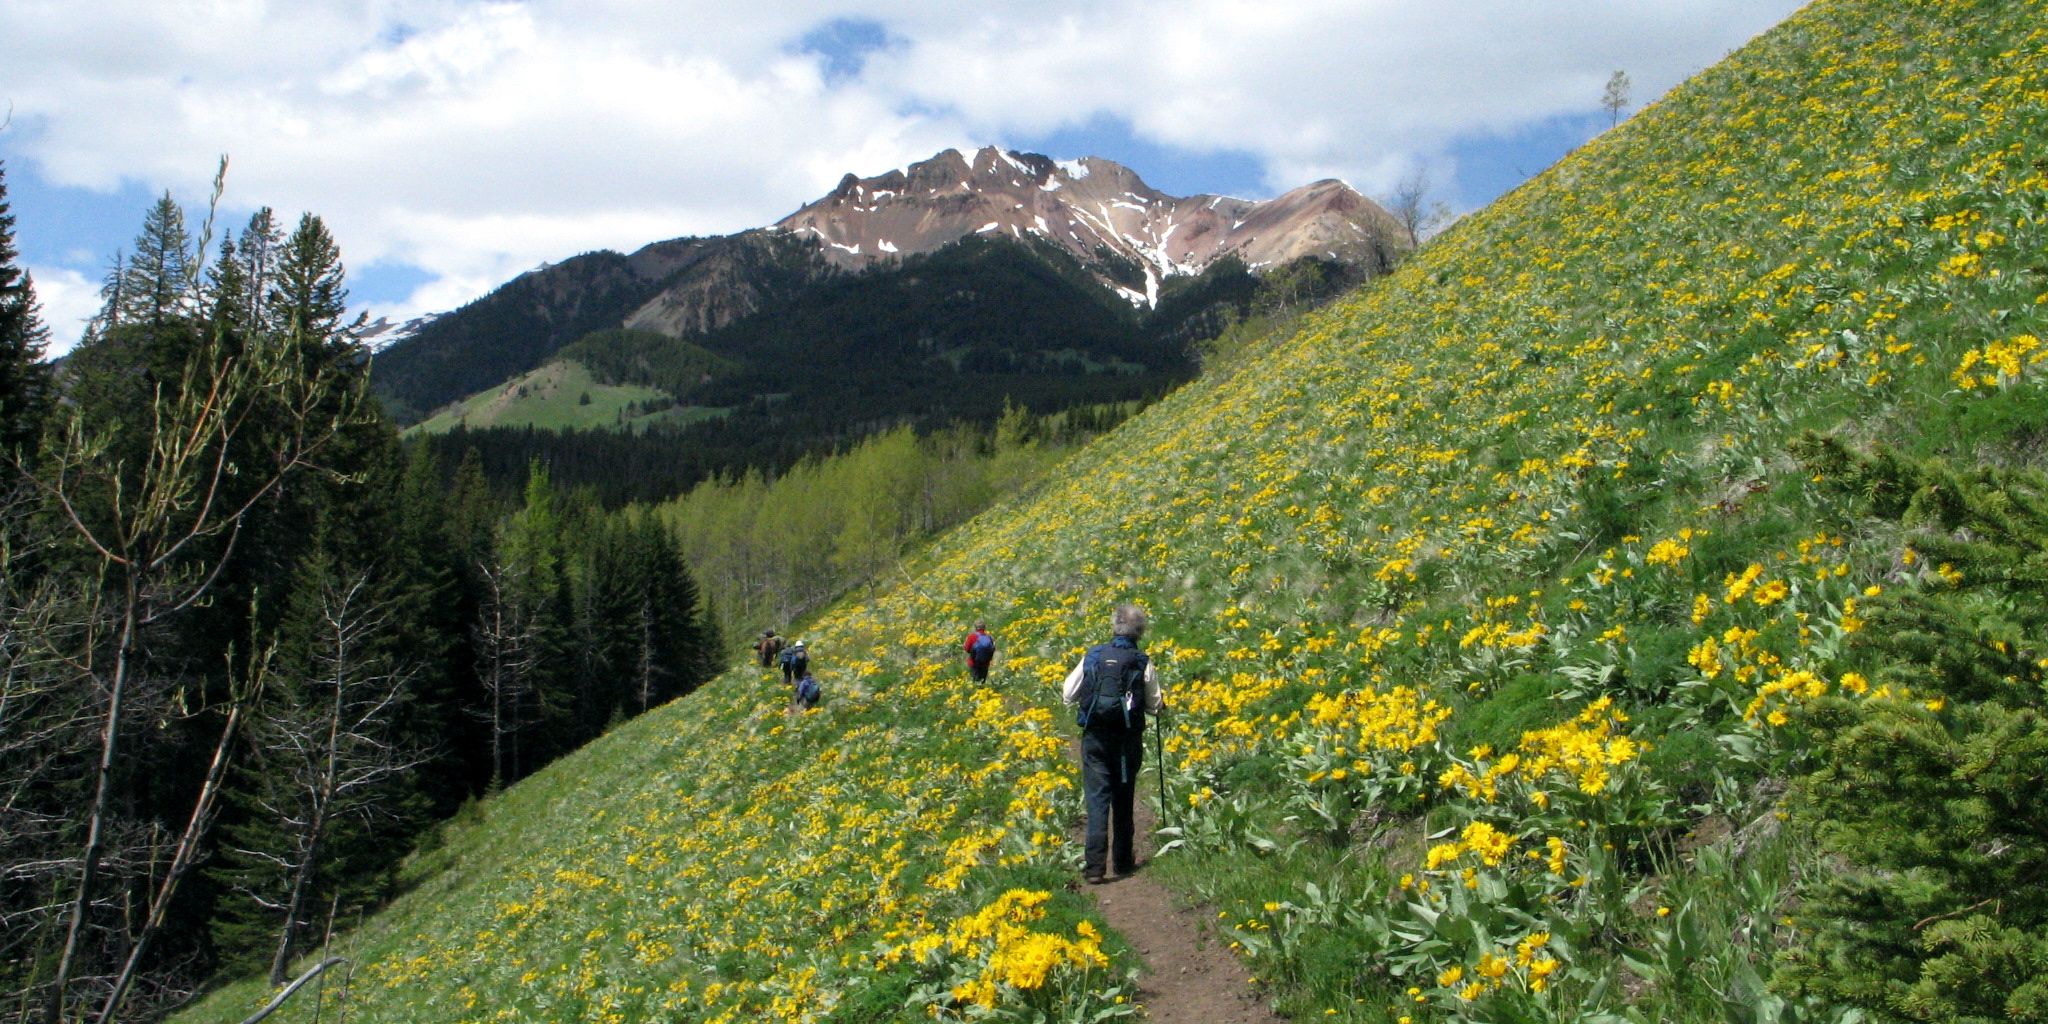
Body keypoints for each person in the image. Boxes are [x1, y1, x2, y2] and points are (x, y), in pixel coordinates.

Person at [1061, 603, 1162, 884]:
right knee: (1124, 796)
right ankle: (1123, 861)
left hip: (1095, 737)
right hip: (1127, 739)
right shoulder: (1141, 661)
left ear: (1113, 626)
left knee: (1097, 799)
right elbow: (1155, 704)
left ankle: (1094, 867)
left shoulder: (1093, 656)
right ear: (1139, 632)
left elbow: (1068, 693)